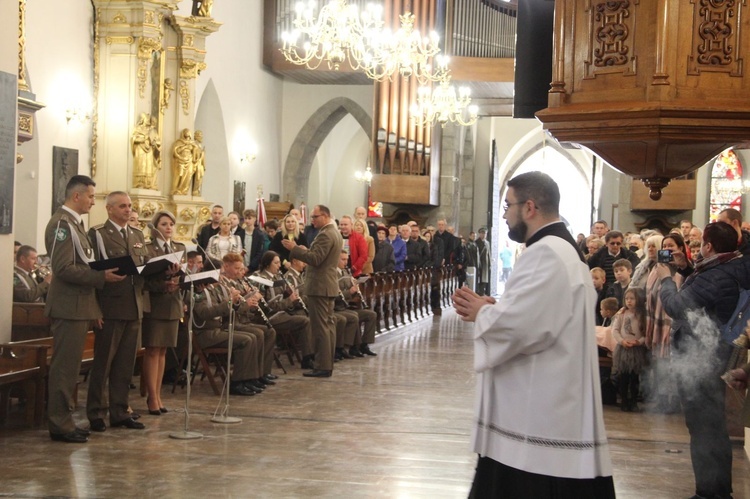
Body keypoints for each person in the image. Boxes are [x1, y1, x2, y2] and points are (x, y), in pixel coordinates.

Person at [452, 171, 614, 498]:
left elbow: (525, 327)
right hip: (553, 400)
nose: (504, 215)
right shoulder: (564, 250)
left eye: (507, 205)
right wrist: (498, 306)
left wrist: (483, 313)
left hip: (537, 410)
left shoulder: (545, 253)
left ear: (529, 207)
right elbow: (540, 313)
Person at [657, 221, 740, 499]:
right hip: (714, 356)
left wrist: (667, 277)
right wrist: (684, 269)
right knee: (713, 427)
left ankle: (708, 493)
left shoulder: (716, 274)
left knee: (704, 428)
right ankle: (718, 491)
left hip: (702, 360)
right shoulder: (731, 265)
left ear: (709, 246)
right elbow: (708, 295)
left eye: (700, 242)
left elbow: (677, 307)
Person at [44, 176, 126, 443]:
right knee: (64, 369)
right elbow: (63, 268)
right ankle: (59, 424)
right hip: (69, 306)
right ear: (76, 196)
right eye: (91, 196)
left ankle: (65, 420)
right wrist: (101, 278)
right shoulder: (61, 225)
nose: (94, 201)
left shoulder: (74, 225)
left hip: (80, 306)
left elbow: (83, 263)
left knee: (71, 368)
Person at [87, 191, 148, 433]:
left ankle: (120, 411)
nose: (127, 210)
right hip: (110, 306)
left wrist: (165, 276)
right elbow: (93, 273)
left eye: (129, 206)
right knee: (103, 363)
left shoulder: (137, 234)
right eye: (122, 206)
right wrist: (94, 309)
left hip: (134, 305)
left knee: (125, 364)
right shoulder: (99, 234)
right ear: (109, 209)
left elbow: (142, 268)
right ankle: (96, 412)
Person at [282, 205, 341, 377]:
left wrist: (295, 249)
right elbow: (321, 256)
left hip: (320, 286)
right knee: (328, 326)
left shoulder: (325, 234)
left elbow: (315, 259)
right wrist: (306, 250)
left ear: (324, 216)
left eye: (315, 217)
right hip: (327, 285)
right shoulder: (334, 233)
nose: (312, 220)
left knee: (321, 327)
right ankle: (326, 363)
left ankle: (322, 365)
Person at [141, 210, 185, 416]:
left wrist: (178, 278)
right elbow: (144, 279)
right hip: (156, 302)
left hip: (173, 303)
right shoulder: (148, 249)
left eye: (171, 224)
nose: (168, 228)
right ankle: (151, 397)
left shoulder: (179, 247)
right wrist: (163, 282)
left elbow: (184, 275)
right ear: (155, 228)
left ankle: (159, 394)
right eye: (164, 224)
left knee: (163, 351)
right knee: (152, 350)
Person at [611, 288, 648, 412]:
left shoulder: (643, 315)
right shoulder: (621, 314)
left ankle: (633, 401)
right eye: (627, 299)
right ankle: (624, 401)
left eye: (632, 298)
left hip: (636, 350)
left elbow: (647, 333)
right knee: (623, 377)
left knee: (634, 377)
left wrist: (639, 341)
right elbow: (615, 330)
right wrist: (622, 341)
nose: (629, 301)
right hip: (623, 349)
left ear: (639, 299)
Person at [475, 227, 491, 295]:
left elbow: (489, 254)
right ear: (480, 234)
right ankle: (479, 292)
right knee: (479, 278)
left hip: (486, 263)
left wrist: (490, 264)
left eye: (485, 233)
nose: (484, 235)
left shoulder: (487, 243)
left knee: (484, 279)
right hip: (479, 263)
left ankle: (483, 291)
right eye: (482, 233)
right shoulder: (476, 242)